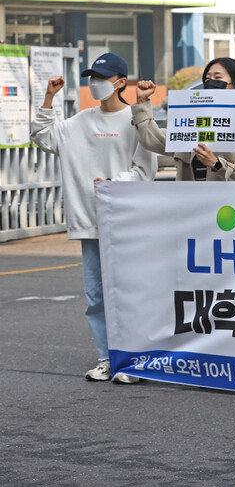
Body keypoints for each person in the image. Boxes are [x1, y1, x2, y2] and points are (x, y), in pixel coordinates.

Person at [30, 52, 157, 383]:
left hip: (127, 222)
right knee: (96, 297)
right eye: (92, 78)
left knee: (128, 292)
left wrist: (115, 184)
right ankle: (106, 359)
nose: (95, 84)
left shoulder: (136, 119)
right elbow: (42, 137)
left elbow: (146, 171)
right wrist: (48, 99)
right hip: (90, 221)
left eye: (101, 78)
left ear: (120, 82)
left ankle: (133, 360)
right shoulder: (80, 122)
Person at [130, 57, 235, 181]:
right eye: (207, 79)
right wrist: (142, 100)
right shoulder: (193, 120)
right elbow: (151, 138)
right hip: (192, 205)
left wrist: (218, 165)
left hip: (229, 206)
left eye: (218, 77)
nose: (211, 82)